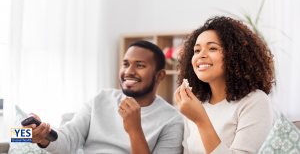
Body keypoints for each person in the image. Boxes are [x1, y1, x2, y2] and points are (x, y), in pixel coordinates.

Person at [23, 41, 184, 154]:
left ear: (160, 76)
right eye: (126, 64)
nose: (129, 71)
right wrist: (42, 136)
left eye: (140, 65)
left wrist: (135, 130)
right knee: (19, 135)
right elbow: (69, 138)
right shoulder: (101, 98)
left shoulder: (172, 120)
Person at [174, 16, 275, 154]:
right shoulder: (195, 102)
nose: (200, 55)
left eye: (212, 48)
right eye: (197, 50)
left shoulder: (255, 101)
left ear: (235, 55)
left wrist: (201, 120)